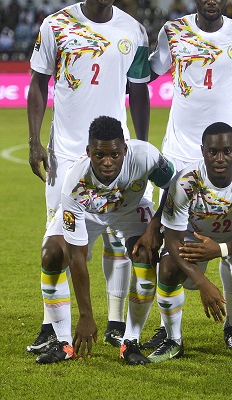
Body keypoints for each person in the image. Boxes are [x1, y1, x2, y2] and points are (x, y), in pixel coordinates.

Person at [27, 0, 151, 354]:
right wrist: (34, 141)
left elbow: (139, 92)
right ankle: (52, 327)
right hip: (65, 154)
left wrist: (141, 148)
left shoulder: (133, 30)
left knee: (119, 242)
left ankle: (117, 324)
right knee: (60, 243)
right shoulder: (56, 25)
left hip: (116, 158)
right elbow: (38, 83)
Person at [138, 0, 232, 354]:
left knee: (229, 230)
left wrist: (227, 102)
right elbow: (148, 72)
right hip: (178, 151)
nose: (210, 0)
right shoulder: (172, 31)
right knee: (167, 239)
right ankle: (167, 330)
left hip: (222, 150)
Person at [35, 116, 175, 364]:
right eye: (99, 155)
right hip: (88, 213)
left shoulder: (145, 156)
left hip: (129, 211)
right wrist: (86, 315)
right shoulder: (75, 182)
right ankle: (64, 343)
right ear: (89, 152)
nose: (107, 162)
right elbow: (77, 256)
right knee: (52, 254)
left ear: (125, 149)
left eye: (115, 154)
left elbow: (173, 184)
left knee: (146, 254)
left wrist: (155, 225)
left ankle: (130, 342)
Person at [145, 122, 232, 363]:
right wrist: (202, 282)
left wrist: (222, 249)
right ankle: (173, 340)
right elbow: (173, 239)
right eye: (212, 152)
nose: (220, 158)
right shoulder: (185, 181)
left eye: (227, 151)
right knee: (167, 267)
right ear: (202, 151)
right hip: (194, 236)